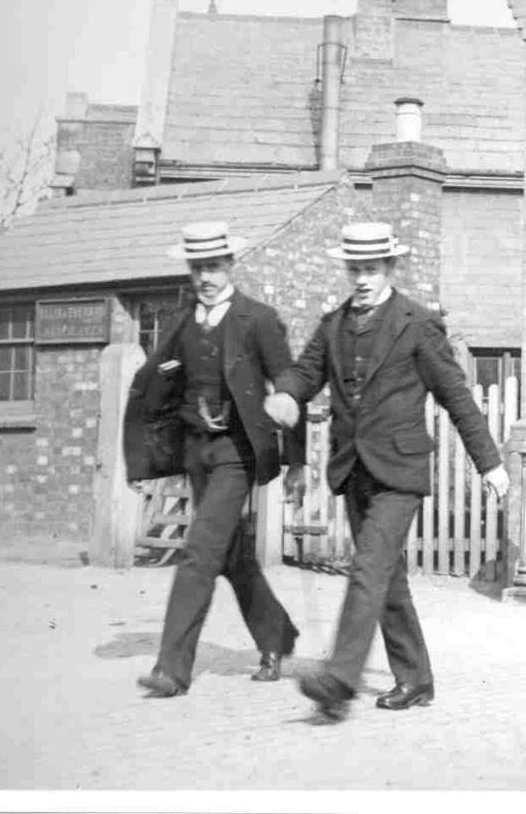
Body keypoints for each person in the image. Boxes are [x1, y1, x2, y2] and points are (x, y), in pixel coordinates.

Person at [263, 221, 510, 721]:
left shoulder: (416, 324)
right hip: (354, 470)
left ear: (390, 268)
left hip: (401, 470)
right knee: (387, 579)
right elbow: (306, 371)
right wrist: (287, 393)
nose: (361, 279)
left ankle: (339, 680)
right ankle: (415, 678)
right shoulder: (333, 325)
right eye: (354, 269)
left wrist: (490, 463)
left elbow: (457, 397)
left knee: (369, 567)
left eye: (371, 269)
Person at [123, 220, 307, 698]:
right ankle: (276, 637)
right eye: (197, 267)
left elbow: (290, 384)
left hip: (237, 452)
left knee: (199, 551)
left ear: (231, 265)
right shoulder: (181, 320)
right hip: (196, 450)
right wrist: (145, 456)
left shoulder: (258, 320)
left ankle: (171, 669)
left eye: (214, 266)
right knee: (229, 555)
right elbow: (155, 383)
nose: (206, 276)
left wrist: (298, 462)